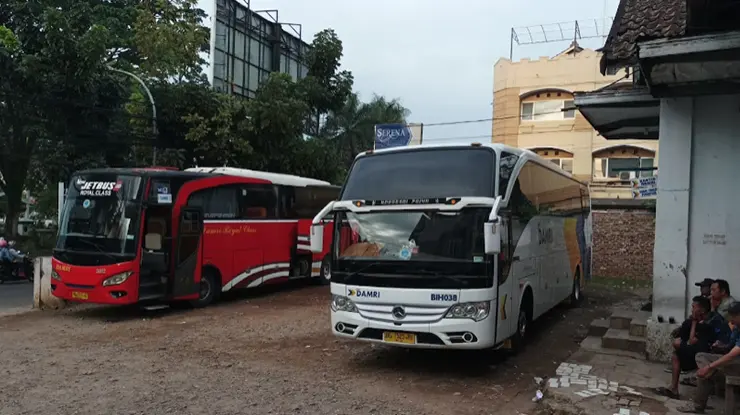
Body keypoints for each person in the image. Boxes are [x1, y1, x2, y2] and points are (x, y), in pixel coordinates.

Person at [655, 296, 727, 399]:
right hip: (697, 351)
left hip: (709, 353)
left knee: (685, 351)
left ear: (701, 310)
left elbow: (691, 341)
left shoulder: (711, 322)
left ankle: (699, 397)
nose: (692, 309)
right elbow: (684, 337)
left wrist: (693, 322)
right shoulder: (697, 320)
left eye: (694, 307)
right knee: (676, 355)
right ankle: (673, 388)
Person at [678, 302, 740, 413]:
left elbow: (732, 355)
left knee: (705, 371)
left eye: (734, 316)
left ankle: (698, 404)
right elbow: (730, 347)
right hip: (733, 361)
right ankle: (709, 375)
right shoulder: (737, 327)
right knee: (701, 356)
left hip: (736, 363)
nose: (731, 320)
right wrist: (721, 346)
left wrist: (709, 367)